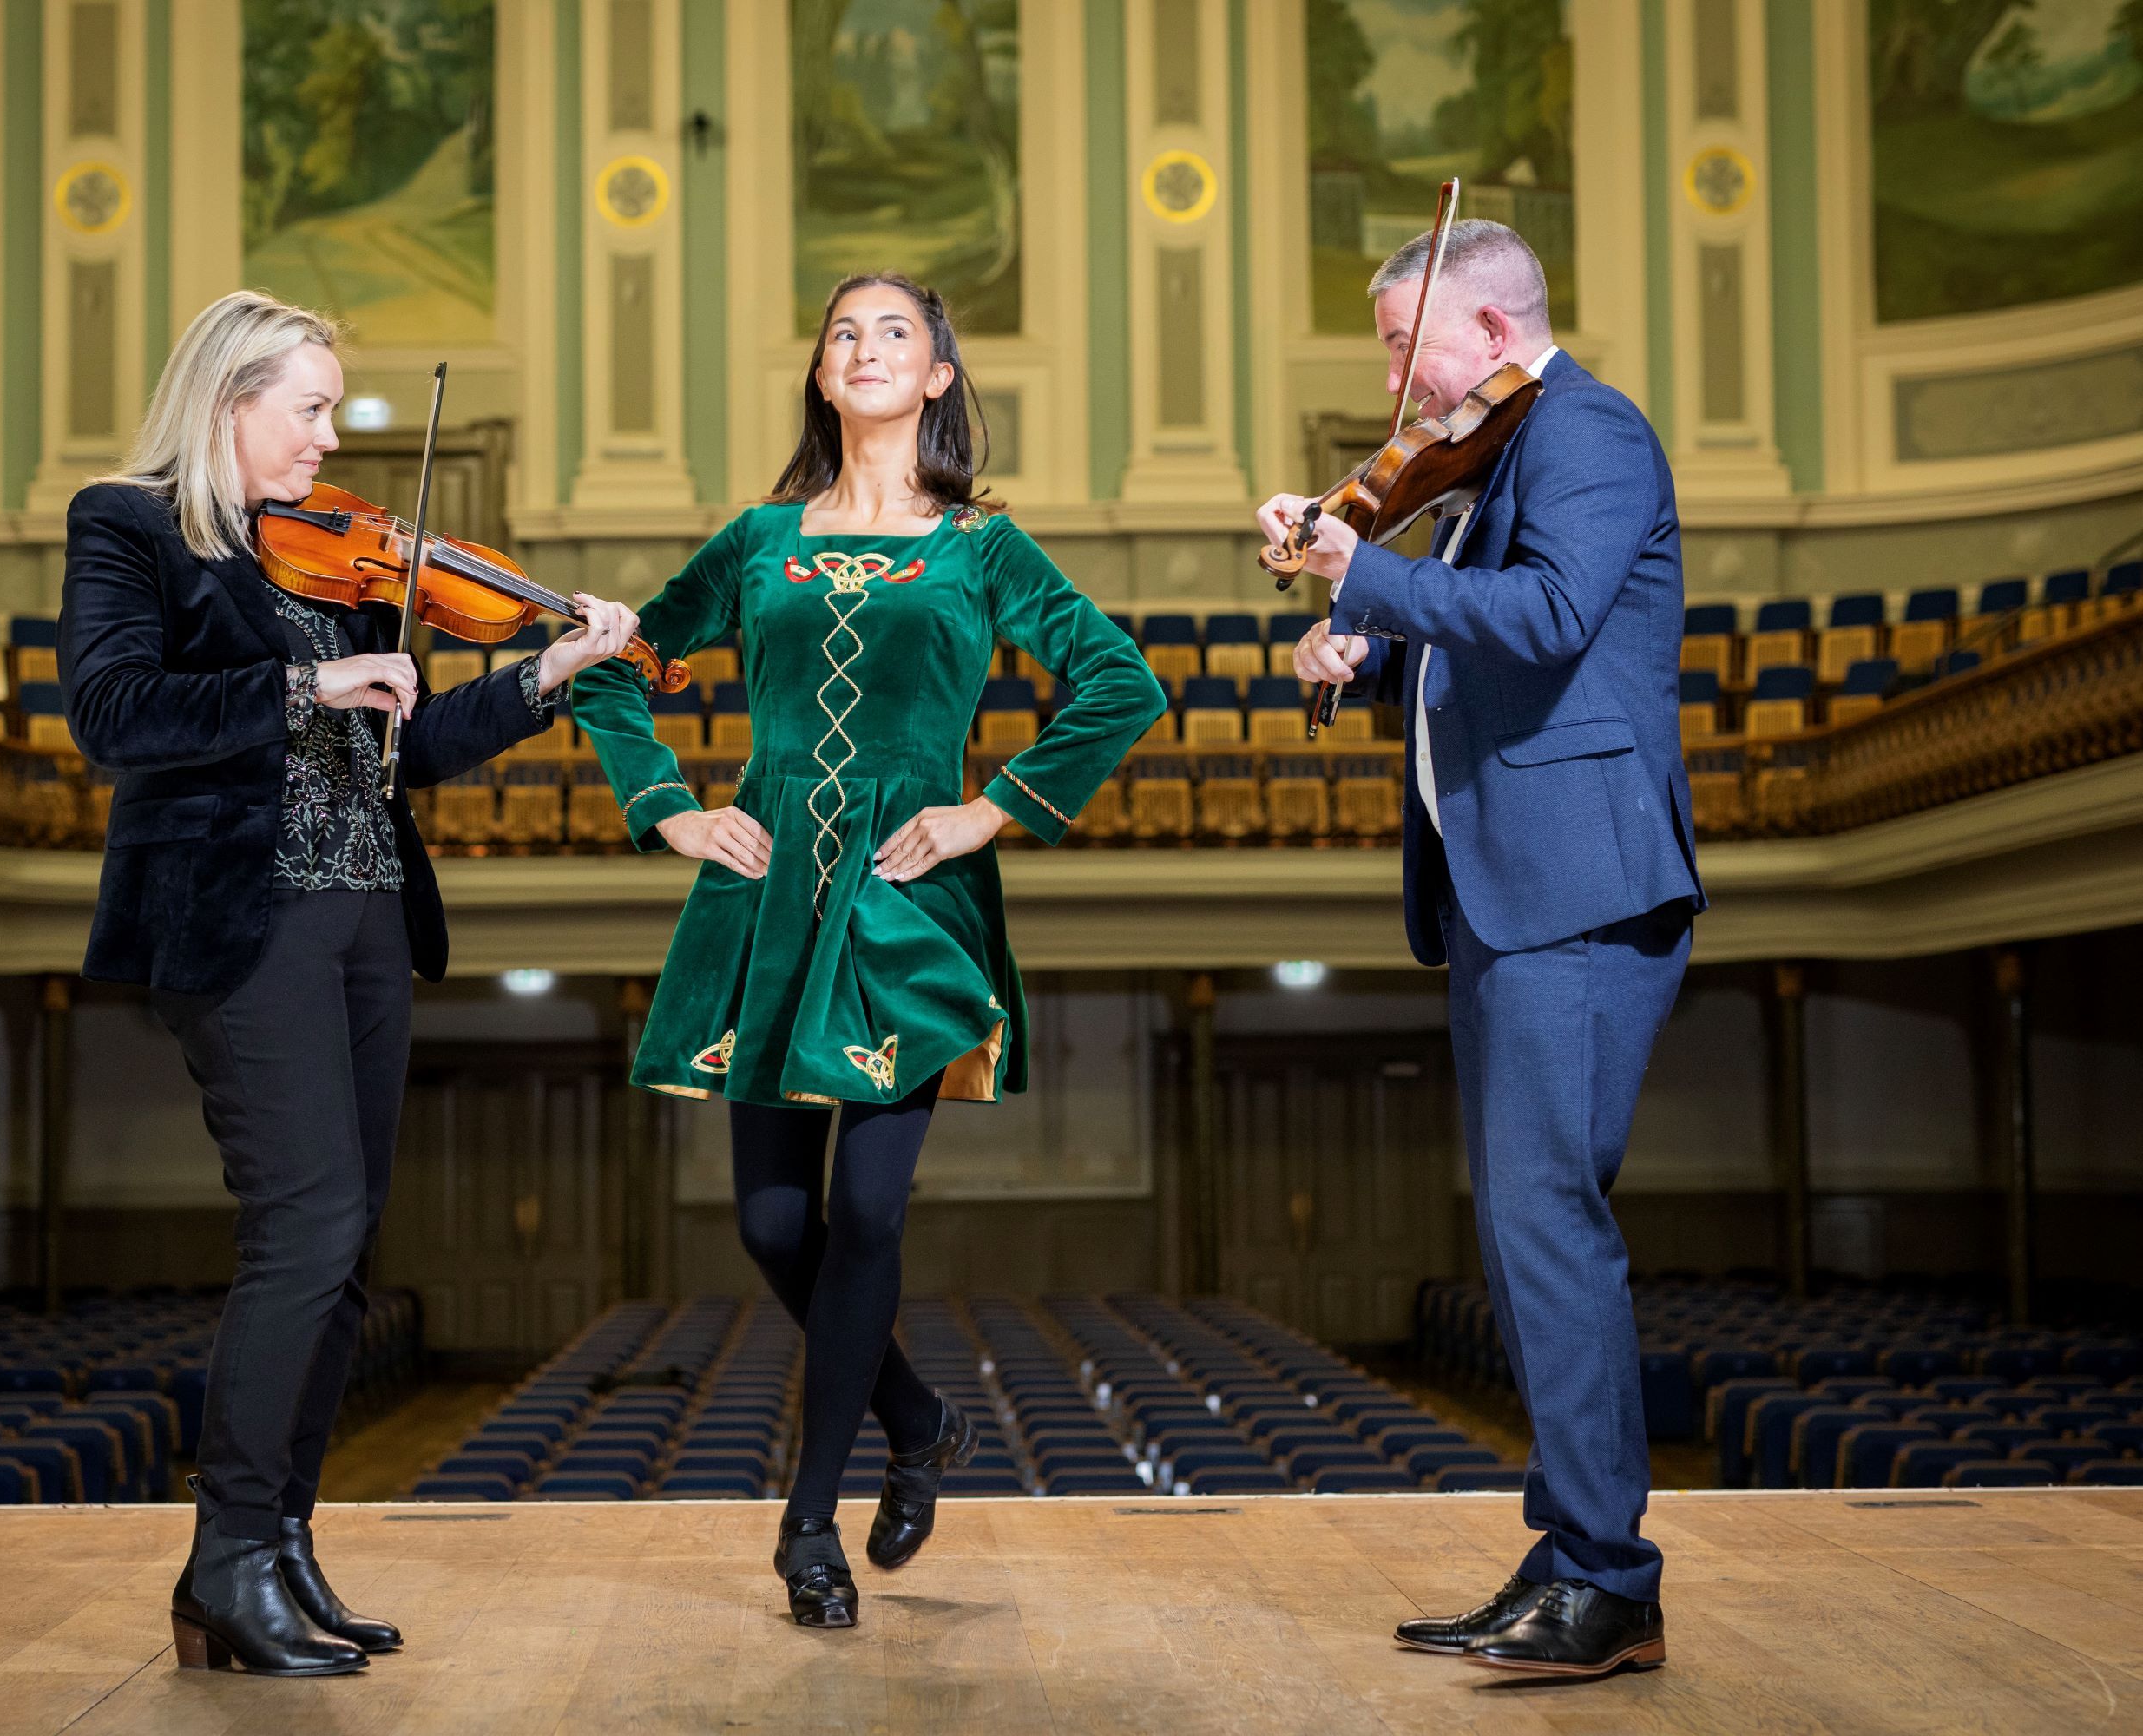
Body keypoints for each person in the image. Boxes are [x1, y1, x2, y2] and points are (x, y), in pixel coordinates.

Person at [569, 272, 1164, 1629]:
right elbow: (611, 662)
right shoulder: (758, 541)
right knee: (776, 1226)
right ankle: (917, 1415)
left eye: (896, 329)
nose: (867, 344)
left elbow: (1123, 682)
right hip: (769, 892)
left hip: (907, 894)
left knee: (875, 1215)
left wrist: (987, 812)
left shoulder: (984, 548)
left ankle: (807, 1528)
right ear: (822, 377)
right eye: (844, 330)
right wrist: (669, 808)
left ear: (940, 375)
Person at [61, 289, 640, 1677]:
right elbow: (111, 714)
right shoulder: (131, 524)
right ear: (226, 400)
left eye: (333, 408)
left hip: (368, 917)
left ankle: (283, 1547)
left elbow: (412, 748)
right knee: (305, 1228)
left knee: (344, 1254)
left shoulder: (340, 562)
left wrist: (547, 672)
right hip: (242, 922)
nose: (332, 436)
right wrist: (303, 693)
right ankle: (224, 1561)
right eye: (310, 407)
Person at [1259, 220, 1703, 1679]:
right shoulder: (1488, 458)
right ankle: (1575, 1552)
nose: (1392, 375)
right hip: (1507, 891)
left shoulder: (1584, 431)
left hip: (1574, 887)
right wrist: (1363, 646)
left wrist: (1361, 576)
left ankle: (1607, 1578)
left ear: (1494, 331)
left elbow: (1558, 614)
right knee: (1525, 1239)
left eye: (1403, 343)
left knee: (1548, 1227)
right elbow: (1475, 640)